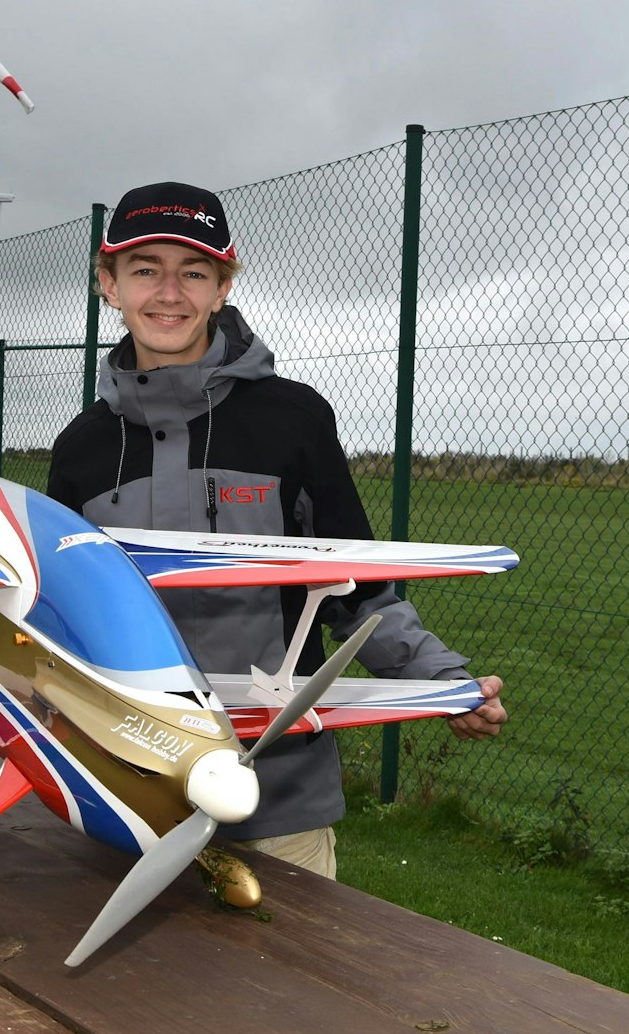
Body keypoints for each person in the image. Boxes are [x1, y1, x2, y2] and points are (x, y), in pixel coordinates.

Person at [44, 181, 507, 879]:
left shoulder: (295, 420)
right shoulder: (79, 449)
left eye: (193, 272)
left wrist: (441, 681)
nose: (169, 293)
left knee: (290, 988)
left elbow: (359, 591)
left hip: (276, 800)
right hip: (125, 795)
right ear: (107, 283)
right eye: (145, 269)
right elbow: (53, 614)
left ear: (223, 286)